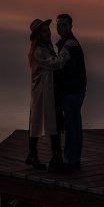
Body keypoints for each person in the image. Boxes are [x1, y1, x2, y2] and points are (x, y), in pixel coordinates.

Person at [25, 18, 68, 170]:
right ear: (38, 35)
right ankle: (36, 155)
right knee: (41, 122)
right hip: (42, 92)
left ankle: (52, 156)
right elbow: (55, 64)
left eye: (47, 30)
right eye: (44, 31)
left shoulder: (47, 47)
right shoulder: (38, 51)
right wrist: (65, 53)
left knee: (50, 121)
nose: (48, 33)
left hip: (48, 91)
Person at [53, 12, 87, 172]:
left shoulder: (69, 44)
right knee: (72, 126)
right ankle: (73, 160)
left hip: (73, 91)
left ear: (70, 26)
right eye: (59, 24)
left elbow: (58, 64)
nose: (60, 27)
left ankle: (71, 162)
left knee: (72, 127)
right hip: (72, 90)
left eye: (64, 24)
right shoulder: (65, 43)